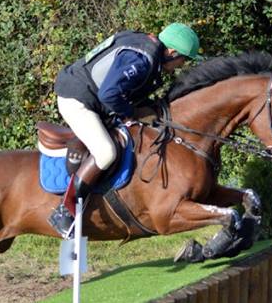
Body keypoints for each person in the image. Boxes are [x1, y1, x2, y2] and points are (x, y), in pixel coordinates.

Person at [48, 22, 202, 238]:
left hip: (94, 96)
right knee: (106, 151)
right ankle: (65, 209)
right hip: (77, 98)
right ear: (172, 52)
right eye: (183, 59)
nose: (182, 64)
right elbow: (109, 95)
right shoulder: (142, 60)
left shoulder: (147, 46)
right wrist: (131, 114)